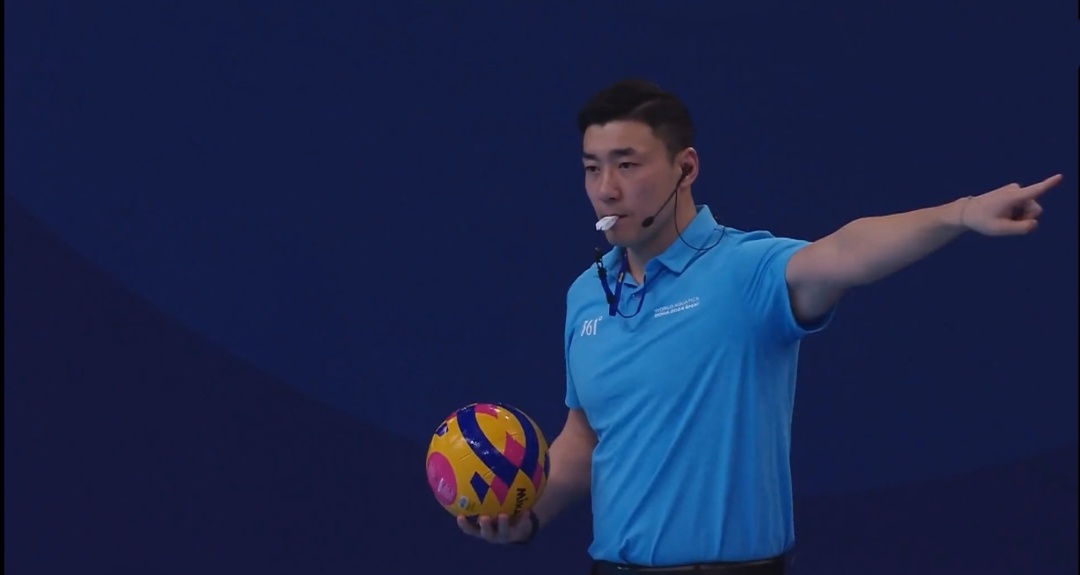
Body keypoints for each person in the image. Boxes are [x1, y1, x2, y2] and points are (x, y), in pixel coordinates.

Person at [457, 79, 1062, 574]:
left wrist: (960, 214)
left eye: (627, 165)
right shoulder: (585, 296)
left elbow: (845, 250)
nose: (606, 190)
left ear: (686, 167)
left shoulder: (745, 270)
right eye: (592, 169)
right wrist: (526, 515)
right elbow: (586, 438)